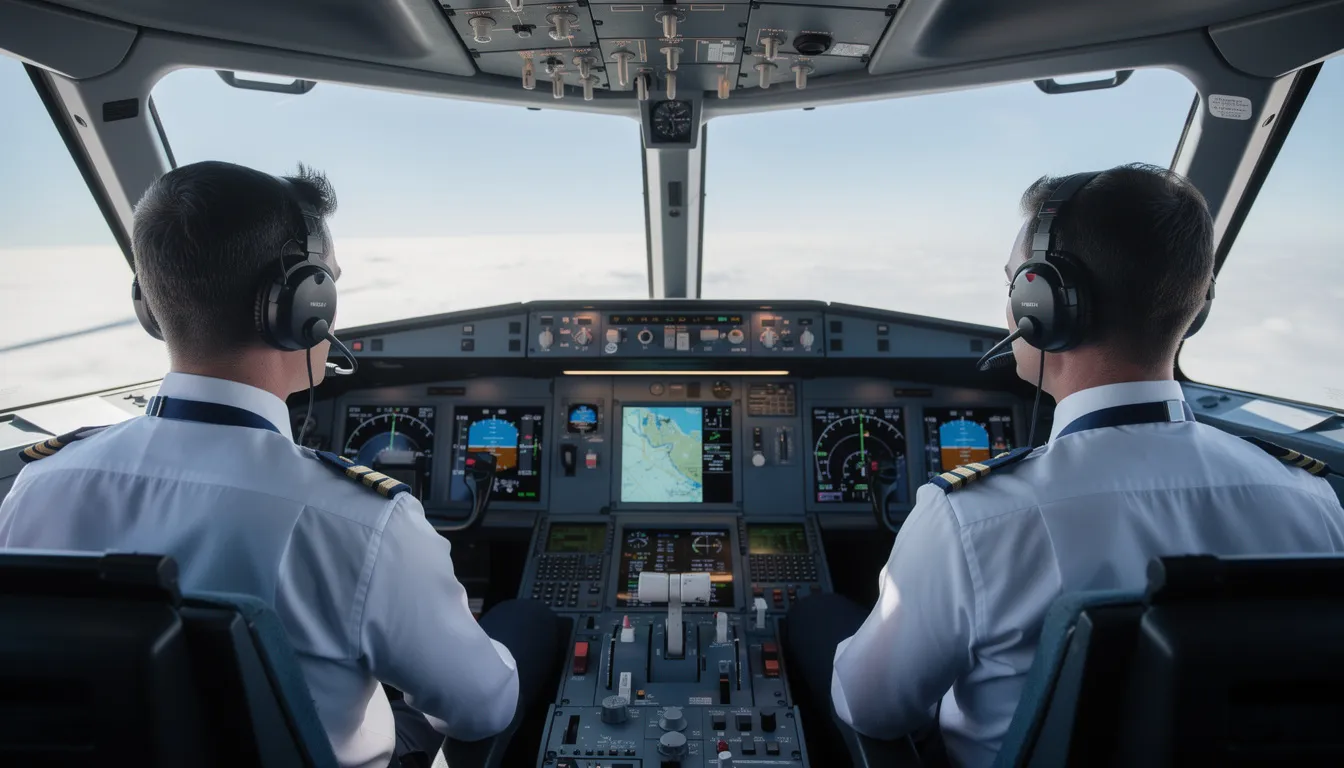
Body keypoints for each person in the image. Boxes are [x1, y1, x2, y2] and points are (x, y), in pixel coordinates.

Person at [0, 161, 561, 768]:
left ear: (152, 306)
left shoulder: (38, 485)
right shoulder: (361, 522)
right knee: (524, 622)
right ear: (301, 305)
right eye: (329, 285)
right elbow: (480, 710)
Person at [784, 163, 1344, 767]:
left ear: (1044, 305)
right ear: (1195, 307)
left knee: (817, 616)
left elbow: (870, 708)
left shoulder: (974, 519)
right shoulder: (1312, 501)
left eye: (1014, 286)